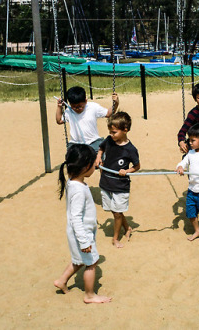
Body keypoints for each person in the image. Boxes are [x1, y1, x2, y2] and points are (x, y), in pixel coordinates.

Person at [54, 144, 112, 303]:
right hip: (81, 233)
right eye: (94, 163)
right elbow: (76, 217)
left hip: (78, 232)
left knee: (79, 260)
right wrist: (84, 240)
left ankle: (62, 281)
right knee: (92, 262)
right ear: (87, 166)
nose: (95, 166)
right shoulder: (78, 190)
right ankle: (89, 295)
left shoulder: (73, 183)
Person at [95, 112, 140, 248]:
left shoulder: (130, 149)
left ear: (125, 130)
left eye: (114, 132)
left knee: (117, 214)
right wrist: (98, 157)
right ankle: (127, 228)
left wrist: (126, 171)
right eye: (110, 132)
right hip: (106, 182)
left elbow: (137, 166)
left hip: (120, 186)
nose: (111, 135)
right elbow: (101, 148)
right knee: (115, 211)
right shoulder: (109, 140)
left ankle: (115, 239)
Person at [56, 86, 119, 151]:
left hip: (93, 141)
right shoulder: (69, 111)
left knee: (100, 153)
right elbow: (59, 120)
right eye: (74, 107)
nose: (77, 109)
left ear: (85, 101)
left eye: (80, 106)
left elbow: (108, 114)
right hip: (75, 143)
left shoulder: (93, 107)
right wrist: (59, 107)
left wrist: (116, 103)